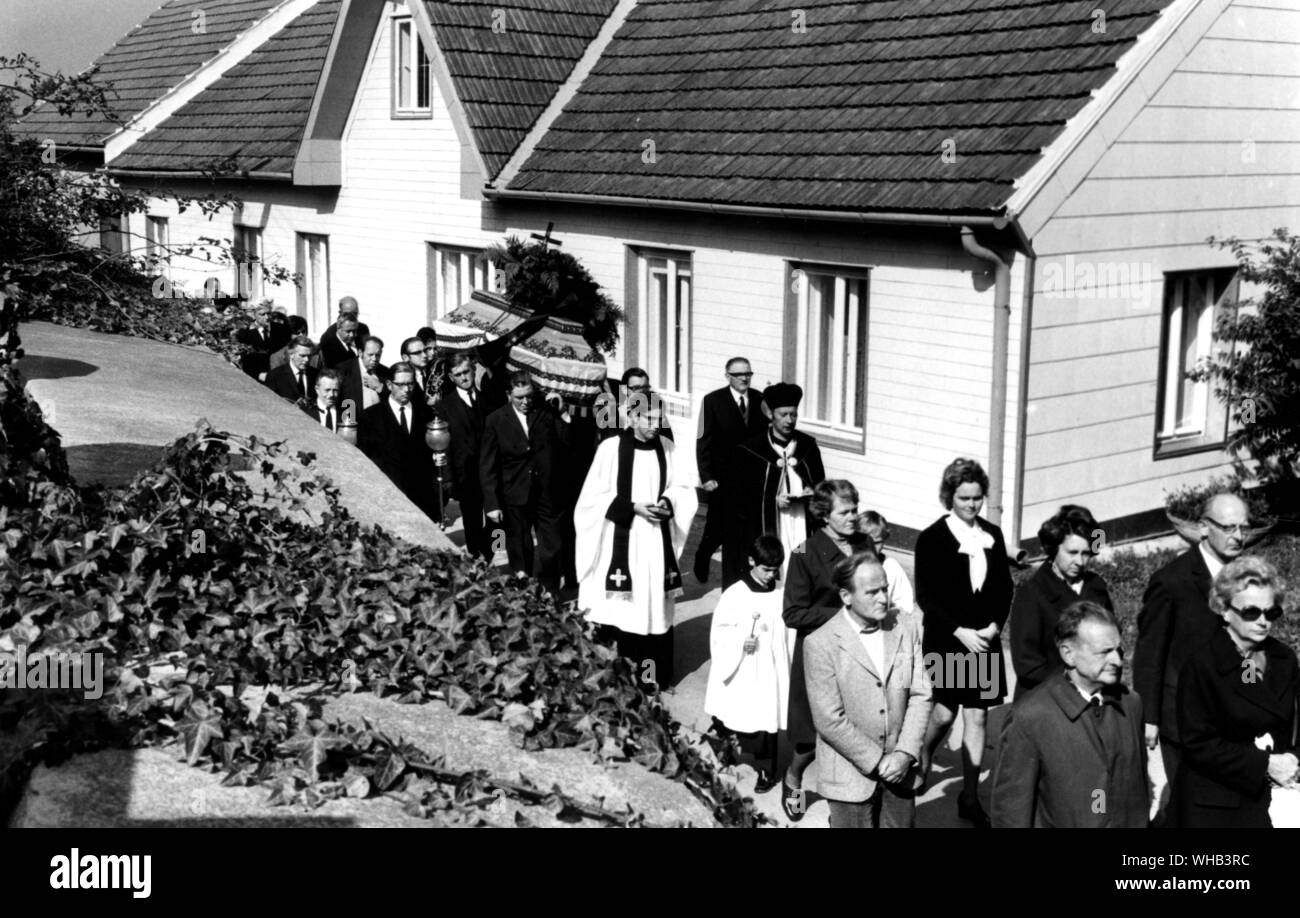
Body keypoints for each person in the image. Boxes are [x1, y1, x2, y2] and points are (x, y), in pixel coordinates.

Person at [1134, 491, 1250, 826]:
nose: (1238, 536)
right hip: (1182, 720)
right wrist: (1150, 718)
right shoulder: (1172, 582)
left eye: (1243, 527)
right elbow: (1150, 654)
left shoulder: (1248, 577)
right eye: (1228, 527)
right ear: (1203, 528)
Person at [914, 457, 1013, 828]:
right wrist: (960, 631)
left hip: (983, 640)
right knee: (944, 712)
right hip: (948, 639)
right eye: (964, 499)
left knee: (977, 715)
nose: (972, 506)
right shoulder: (932, 539)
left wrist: (993, 626)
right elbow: (927, 596)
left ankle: (969, 797)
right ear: (949, 497)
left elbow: (1004, 587)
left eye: (977, 498)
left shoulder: (992, 534)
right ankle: (921, 753)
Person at [990, 601, 1148, 828]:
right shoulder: (1031, 716)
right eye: (1104, 652)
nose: (1117, 660)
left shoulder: (1131, 704)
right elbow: (1010, 812)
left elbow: (1137, 789)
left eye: (1118, 650)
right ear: (1068, 654)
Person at [804, 549, 933, 828]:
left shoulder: (905, 627)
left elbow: (921, 694)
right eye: (872, 592)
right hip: (849, 778)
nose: (884, 598)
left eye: (885, 589)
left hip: (902, 769)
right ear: (846, 596)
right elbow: (829, 720)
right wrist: (879, 761)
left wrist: (905, 753)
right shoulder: (820, 643)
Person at [575, 398, 696, 688]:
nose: (656, 426)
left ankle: (650, 677)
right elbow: (591, 497)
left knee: (651, 609)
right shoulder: (611, 449)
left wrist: (668, 502)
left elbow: (682, 488)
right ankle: (616, 678)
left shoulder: (667, 449)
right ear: (631, 417)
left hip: (654, 541)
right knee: (622, 610)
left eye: (659, 419)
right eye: (649, 419)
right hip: (619, 541)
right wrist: (631, 508)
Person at [1174, 556, 1298, 828]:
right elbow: (1198, 744)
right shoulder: (1202, 666)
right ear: (1224, 609)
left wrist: (1293, 756)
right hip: (1219, 803)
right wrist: (1263, 764)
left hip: (1275, 797)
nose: (1263, 621)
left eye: (1271, 612)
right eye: (1252, 612)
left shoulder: (1284, 658)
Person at [780, 479, 873, 820]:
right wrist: (845, 613)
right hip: (821, 653)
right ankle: (793, 778)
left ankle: (845, 809)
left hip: (861, 654)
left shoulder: (865, 544)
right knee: (811, 739)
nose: (853, 517)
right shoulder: (804, 552)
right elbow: (793, 613)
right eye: (844, 512)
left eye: (854, 510)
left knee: (855, 733)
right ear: (823, 515)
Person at [704, 535, 791, 792]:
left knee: (764, 720)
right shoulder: (735, 594)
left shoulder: (780, 594)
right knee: (732, 712)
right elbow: (719, 631)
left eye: (775, 570)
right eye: (766, 569)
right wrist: (741, 642)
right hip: (740, 668)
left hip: (767, 670)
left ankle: (766, 770)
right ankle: (726, 753)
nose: (770, 576)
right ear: (752, 561)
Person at [726, 382, 823, 588]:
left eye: (794, 414)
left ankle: (797, 599)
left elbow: (820, 486)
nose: (790, 420)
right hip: (772, 523)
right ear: (771, 414)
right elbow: (740, 496)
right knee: (777, 564)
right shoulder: (752, 449)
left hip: (800, 522)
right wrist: (772, 500)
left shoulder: (807, 446)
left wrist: (812, 492)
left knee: (800, 557)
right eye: (784, 414)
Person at [481, 371, 572, 592]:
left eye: (529, 396)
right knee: (519, 544)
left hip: (546, 491)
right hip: (515, 491)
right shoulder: (495, 420)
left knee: (552, 544)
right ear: (508, 395)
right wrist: (492, 504)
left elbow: (567, 445)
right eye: (520, 397)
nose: (525, 402)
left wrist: (564, 415)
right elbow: (487, 465)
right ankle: (524, 588)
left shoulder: (546, 413)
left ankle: (550, 589)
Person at [1009, 505, 1113, 697]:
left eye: (1086, 553)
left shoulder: (1097, 588)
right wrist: (1079, 685)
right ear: (1053, 549)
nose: (1080, 562)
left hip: (1097, 696)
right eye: (1072, 553)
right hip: (1046, 700)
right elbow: (1027, 665)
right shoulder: (1032, 594)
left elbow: (1113, 642)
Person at [694, 357, 766, 582]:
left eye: (748, 374)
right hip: (722, 479)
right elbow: (703, 441)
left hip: (752, 480)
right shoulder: (712, 401)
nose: (745, 378)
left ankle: (742, 573)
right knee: (716, 528)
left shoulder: (760, 399)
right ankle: (703, 555)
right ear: (727, 376)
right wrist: (707, 476)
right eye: (739, 374)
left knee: (747, 531)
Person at [357, 361, 435, 517]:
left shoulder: (426, 414)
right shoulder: (370, 417)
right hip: (388, 498)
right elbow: (366, 460)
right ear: (389, 384)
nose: (406, 390)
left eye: (410, 384)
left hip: (422, 499)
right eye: (401, 384)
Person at [439, 352, 493, 562]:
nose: (464, 377)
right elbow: (445, 447)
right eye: (458, 374)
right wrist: (449, 479)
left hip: (489, 471)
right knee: (471, 519)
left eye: (466, 371)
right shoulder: (445, 407)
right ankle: (475, 555)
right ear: (451, 378)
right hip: (465, 474)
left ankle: (492, 553)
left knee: (495, 518)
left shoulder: (486, 400)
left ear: (472, 370)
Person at [858, 510, 916, 617]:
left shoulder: (890, 567)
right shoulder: (849, 564)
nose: (871, 547)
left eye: (877, 542)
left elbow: (906, 605)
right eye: (866, 542)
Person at [596, 368, 674, 442]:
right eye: (636, 388)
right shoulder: (612, 415)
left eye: (645, 387)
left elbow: (668, 442)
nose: (642, 392)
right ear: (624, 390)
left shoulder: (656, 415)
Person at [338, 335, 389, 417]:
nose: (374, 359)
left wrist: (380, 388)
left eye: (378, 355)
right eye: (370, 355)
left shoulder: (385, 372)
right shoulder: (343, 370)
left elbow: (392, 398)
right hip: (353, 421)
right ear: (360, 352)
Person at [264, 335, 317, 403]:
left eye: (309, 356)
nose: (307, 359)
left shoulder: (315, 374)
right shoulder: (275, 376)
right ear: (291, 354)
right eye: (302, 356)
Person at [318, 297, 370, 366]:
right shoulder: (328, 338)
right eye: (348, 314)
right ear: (340, 313)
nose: (352, 317)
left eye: (355, 313)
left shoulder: (363, 329)